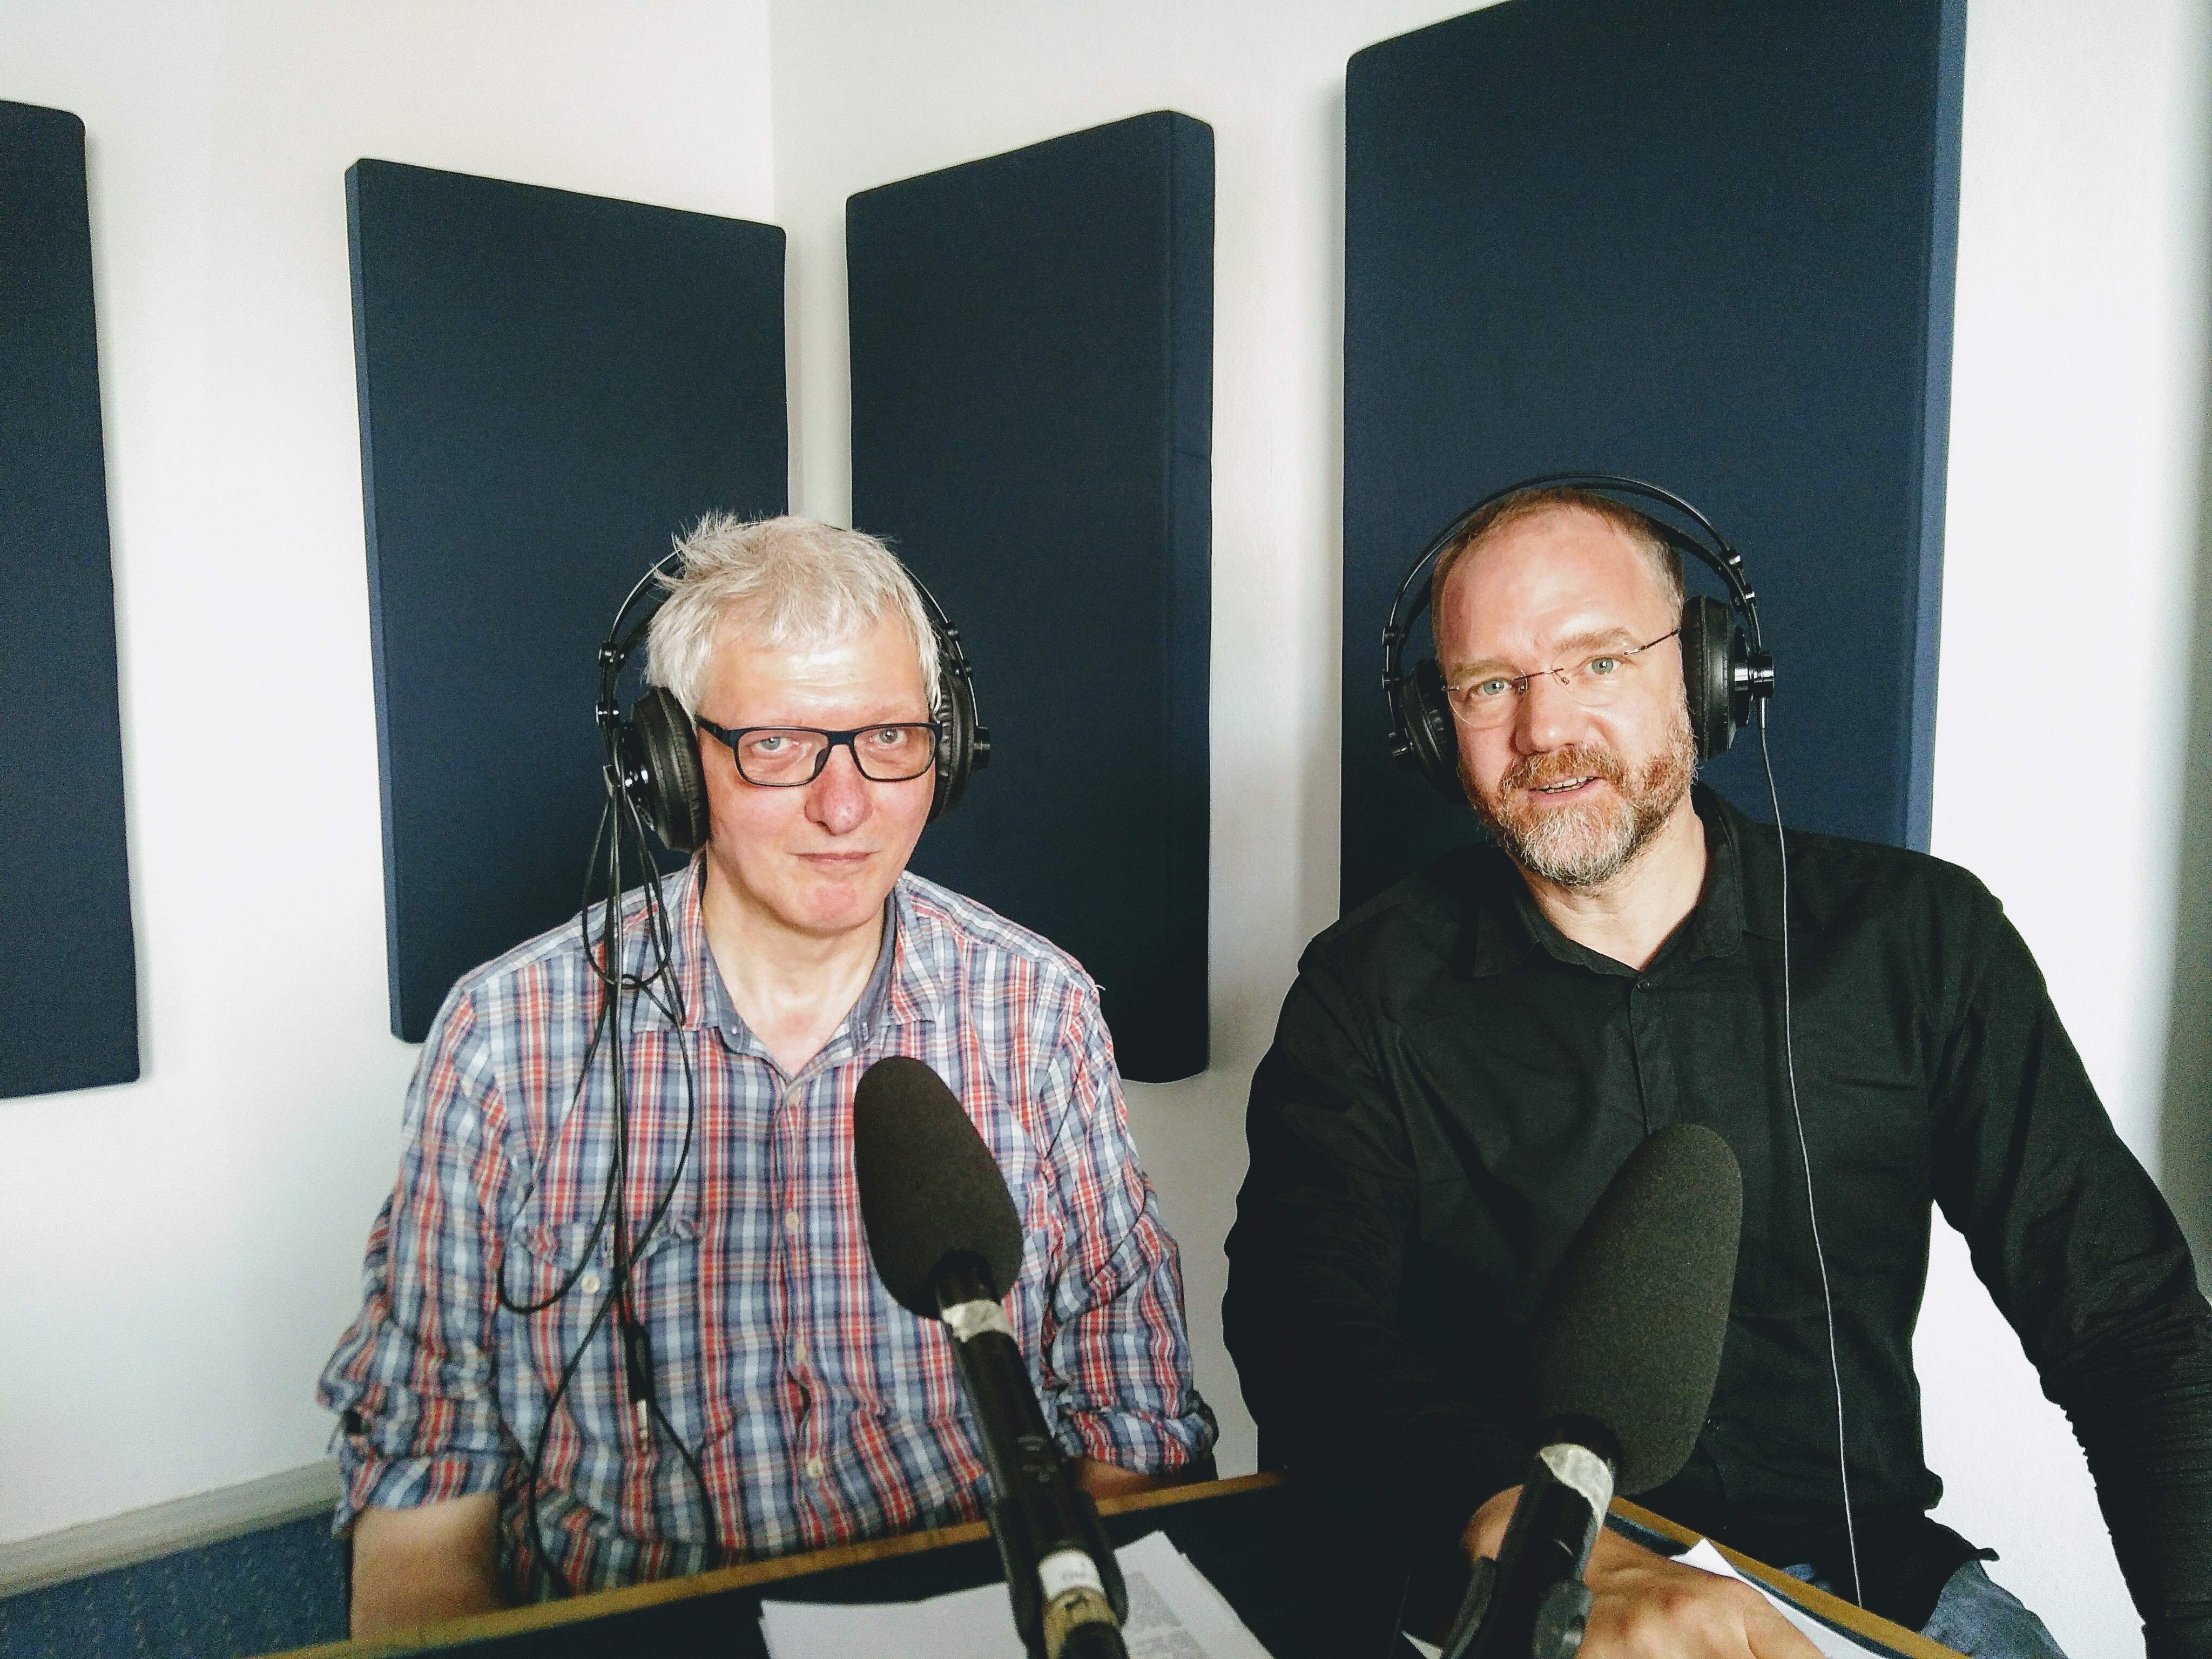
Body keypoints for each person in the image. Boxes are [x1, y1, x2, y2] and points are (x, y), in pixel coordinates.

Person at [1224, 486, 2212, 1658]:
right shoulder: (1365, 989)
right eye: (1490, 685)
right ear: (1438, 729)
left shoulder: (1918, 940)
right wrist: (1563, 1550)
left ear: (1706, 673)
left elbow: (2123, 1320)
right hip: (1516, 1584)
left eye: (1595, 662)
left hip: (1864, 1586)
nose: (1544, 730)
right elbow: (1299, 1323)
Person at [320, 514, 1215, 1635]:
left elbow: (1129, 1422)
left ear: (952, 743)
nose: (846, 807)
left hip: (963, 1600)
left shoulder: (1036, 1012)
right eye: (778, 746)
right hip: (636, 1618)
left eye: (888, 738)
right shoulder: (505, 1040)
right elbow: (424, 1482)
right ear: (663, 767)